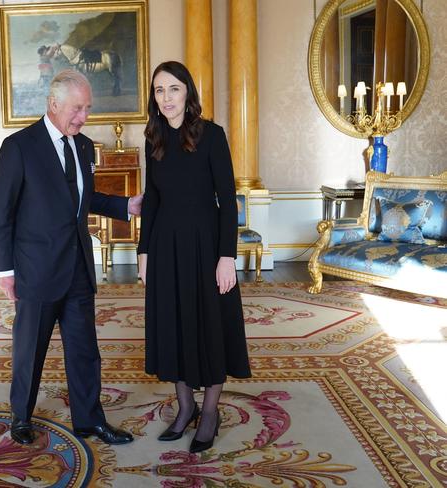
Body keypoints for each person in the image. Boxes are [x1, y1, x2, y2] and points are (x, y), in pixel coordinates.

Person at [0, 69, 142, 446]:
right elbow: (2, 213)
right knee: (30, 350)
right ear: (54, 104)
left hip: (77, 267)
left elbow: (83, 198)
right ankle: (21, 417)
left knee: (84, 350)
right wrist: (5, 270)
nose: (83, 117)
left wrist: (126, 205)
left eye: (88, 108)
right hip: (36, 269)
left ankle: (90, 420)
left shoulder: (85, 146)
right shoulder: (19, 147)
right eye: (78, 108)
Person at [137, 61, 251, 454]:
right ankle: (185, 407)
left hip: (206, 245)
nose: (165, 98)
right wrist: (144, 250)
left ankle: (209, 414)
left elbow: (228, 203)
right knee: (173, 325)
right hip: (166, 245)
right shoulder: (152, 137)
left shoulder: (212, 136)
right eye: (158, 90)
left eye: (173, 89)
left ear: (188, 91)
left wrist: (226, 257)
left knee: (211, 325)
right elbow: (151, 199)